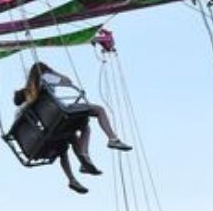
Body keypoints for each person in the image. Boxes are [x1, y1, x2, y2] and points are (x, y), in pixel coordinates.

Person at [13, 62, 131, 194]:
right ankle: (108, 141)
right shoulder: (45, 78)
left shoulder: (24, 108)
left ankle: (72, 178)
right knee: (97, 112)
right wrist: (53, 72)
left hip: (44, 131)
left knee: (66, 141)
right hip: (58, 114)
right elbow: (68, 81)